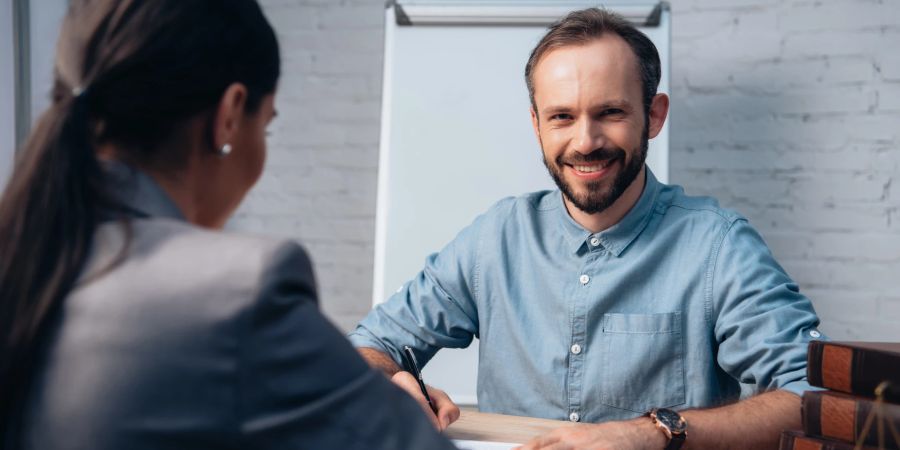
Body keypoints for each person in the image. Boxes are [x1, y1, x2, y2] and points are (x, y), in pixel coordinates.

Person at [349, 7, 824, 450]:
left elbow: (810, 400)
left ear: (653, 115)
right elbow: (368, 346)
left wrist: (650, 433)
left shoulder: (720, 246)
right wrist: (393, 386)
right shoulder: (494, 239)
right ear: (536, 125)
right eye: (562, 117)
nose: (585, 141)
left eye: (610, 113)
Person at [0, 1, 456, 449]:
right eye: (268, 126)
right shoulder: (236, 290)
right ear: (230, 116)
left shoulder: (27, 253)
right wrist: (372, 399)